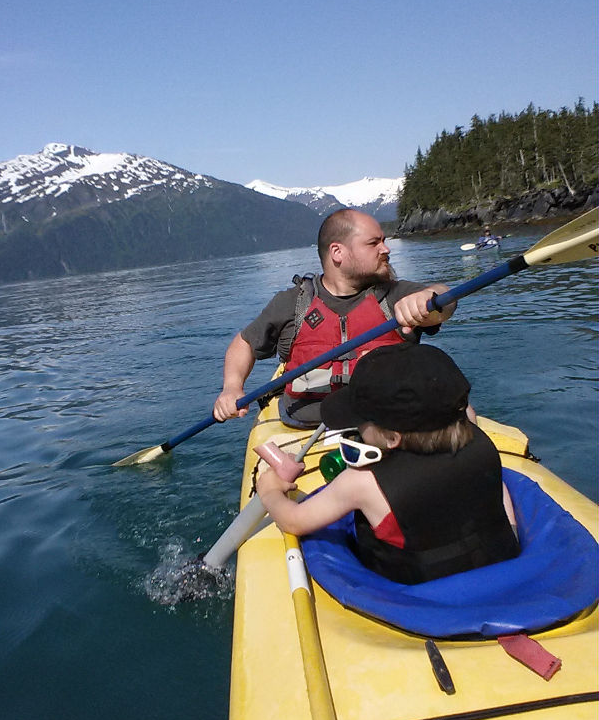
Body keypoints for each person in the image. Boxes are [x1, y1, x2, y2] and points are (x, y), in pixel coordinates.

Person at [256, 343, 519, 585]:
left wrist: (270, 490)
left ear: (392, 437)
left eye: (361, 421)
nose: (356, 427)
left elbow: (293, 521)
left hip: (418, 589)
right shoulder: (479, 439)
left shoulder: (361, 482)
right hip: (500, 562)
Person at [213, 208, 458, 428]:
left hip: (390, 422)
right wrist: (232, 388)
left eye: (383, 241)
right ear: (337, 252)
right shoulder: (293, 303)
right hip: (306, 425)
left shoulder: (394, 295)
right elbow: (244, 343)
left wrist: (429, 297)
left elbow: (445, 302)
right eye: (374, 243)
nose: (386, 249)